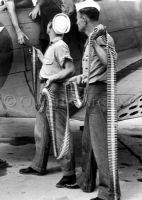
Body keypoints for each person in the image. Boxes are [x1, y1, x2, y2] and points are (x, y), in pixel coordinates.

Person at [19, 13, 79, 189]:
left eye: (49, 24)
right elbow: (52, 65)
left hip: (54, 92)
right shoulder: (54, 46)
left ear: (50, 28)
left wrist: (53, 79)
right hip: (46, 91)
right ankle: (38, 165)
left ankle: (70, 175)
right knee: (41, 130)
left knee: (61, 134)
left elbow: (70, 69)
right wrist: (41, 58)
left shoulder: (60, 46)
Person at [69, 0, 121, 200]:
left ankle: (109, 193)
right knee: (88, 143)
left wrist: (95, 42)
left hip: (100, 94)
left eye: (76, 18)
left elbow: (110, 62)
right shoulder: (91, 37)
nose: (75, 22)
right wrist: (81, 77)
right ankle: (87, 183)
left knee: (101, 146)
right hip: (93, 91)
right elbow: (95, 69)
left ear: (83, 18)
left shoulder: (100, 36)